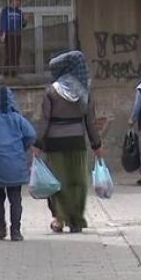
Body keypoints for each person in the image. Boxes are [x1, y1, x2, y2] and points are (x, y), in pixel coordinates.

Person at [33, 51, 103, 233]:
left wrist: (38, 143)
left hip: (55, 143)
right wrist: (96, 144)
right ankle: (76, 220)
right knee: (78, 182)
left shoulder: (51, 91)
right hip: (77, 141)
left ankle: (59, 218)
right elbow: (90, 121)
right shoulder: (85, 91)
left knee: (58, 181)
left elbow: (45, 120)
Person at [0, 86, 37, 241]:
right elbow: (31, 135)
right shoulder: (18, 119)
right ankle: (16, 231)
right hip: (15, 164)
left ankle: (1, 228)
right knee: (15, 197)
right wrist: (21, 148)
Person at [0, 0, 25, 77]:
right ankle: (7, 73)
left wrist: (26, 21)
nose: (17, 1)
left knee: (16, 53)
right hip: (9, 35)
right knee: (9, 54)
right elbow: (3, 22)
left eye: (18, 0)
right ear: (11, 0)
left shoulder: (19, 12)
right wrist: (3, 33)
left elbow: (22, 24)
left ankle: (15, 73)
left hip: (17, 34)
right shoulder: (6, 10)